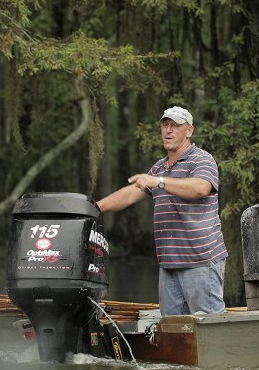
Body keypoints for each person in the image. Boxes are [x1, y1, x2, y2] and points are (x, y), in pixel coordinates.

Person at [97, 106, 228, 315]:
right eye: (165, 125)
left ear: (189, 131)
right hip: (169, 263)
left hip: (200, 261)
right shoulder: (160, 167)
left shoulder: (201, 159)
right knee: (173, 332)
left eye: (175, 126)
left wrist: (158, 182)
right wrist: (94, 208)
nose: (168, 130)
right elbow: (132, 192)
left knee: (209, 327)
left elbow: (201, 187)